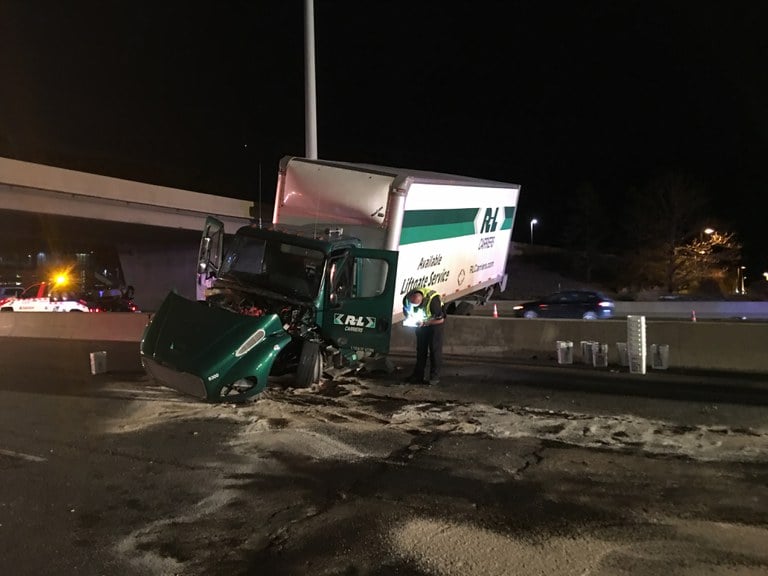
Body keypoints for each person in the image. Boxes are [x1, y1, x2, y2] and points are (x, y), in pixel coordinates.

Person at [402, 287, 445, 385]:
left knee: (435, 350)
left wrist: (425, 323)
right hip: (420, 325)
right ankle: (418, 375)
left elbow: (441, 319)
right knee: (421, 350)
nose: (414, 308)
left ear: (422, 300)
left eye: (417, 305)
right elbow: (406, 312)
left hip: (435, 325)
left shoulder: (433, 301)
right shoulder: (407, 299)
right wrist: (410, 319)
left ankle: (434, 377)